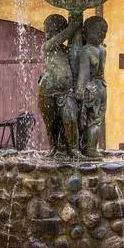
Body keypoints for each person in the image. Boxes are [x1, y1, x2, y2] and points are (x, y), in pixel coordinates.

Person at [37, 12, 81, 157]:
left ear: (59, 29)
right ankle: (54, 148)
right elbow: (61, 38)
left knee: (70, 119)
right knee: (51, 122)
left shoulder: (65, 49)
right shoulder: (48, 46)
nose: (48, 32)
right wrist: (73, 26)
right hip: (47, 90)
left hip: (65, 91)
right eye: (47, 29)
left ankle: (73, 149)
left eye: (52, 29)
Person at [76, 15, 108, 158]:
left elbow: (83, 76)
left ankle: (89, 149)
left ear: (87, 31)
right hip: (102, 87)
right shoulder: (102, 50)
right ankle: (92, 147)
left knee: (89, 120)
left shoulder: (85, 51)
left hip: (90, 89)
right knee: (97, 120)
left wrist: (78, 92)